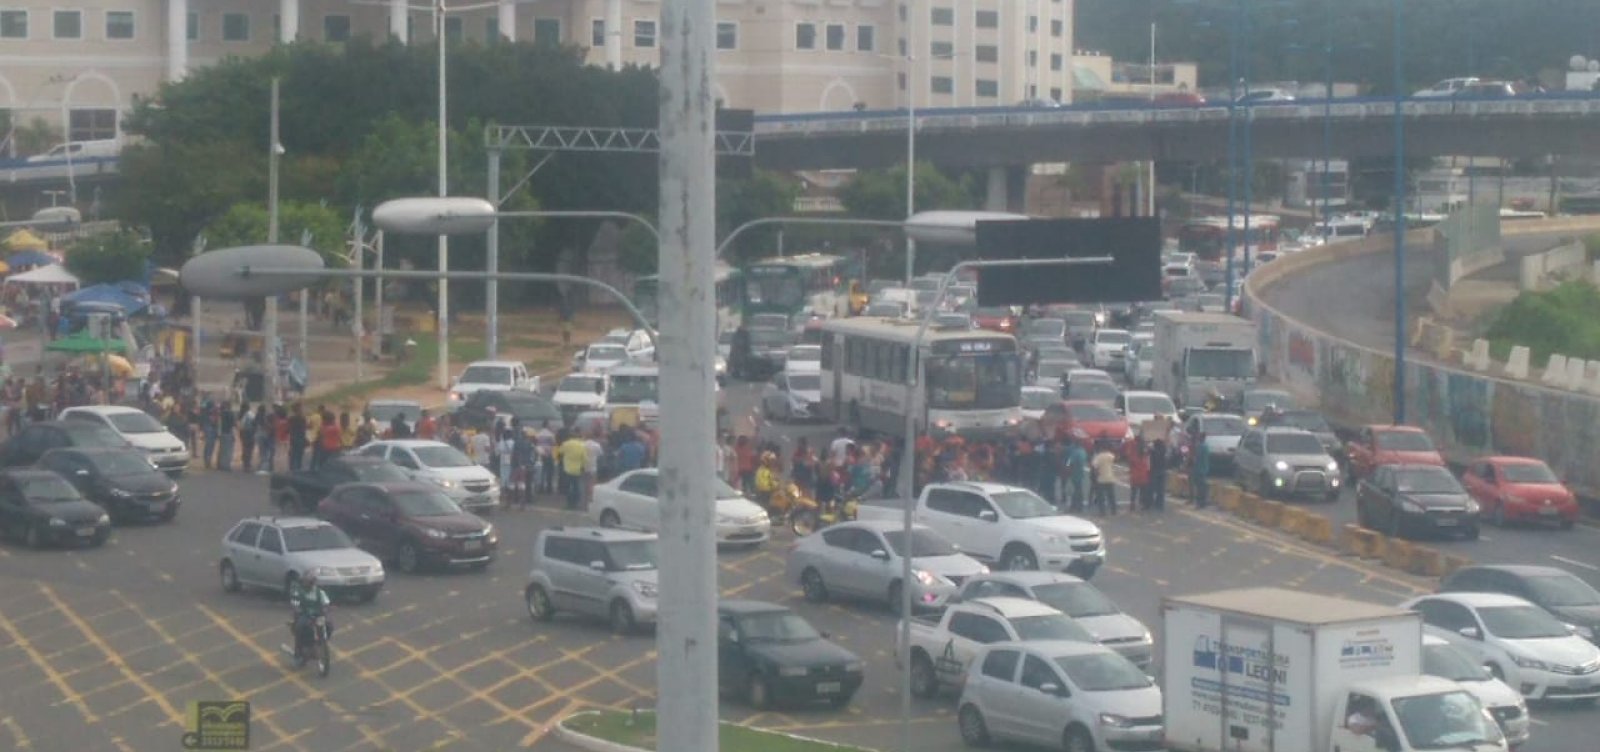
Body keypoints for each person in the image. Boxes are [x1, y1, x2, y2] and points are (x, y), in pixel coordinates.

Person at [288, 572, 332, 664]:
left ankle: (322, 643)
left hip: (318, 615)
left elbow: (326, 603)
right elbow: (295, 604)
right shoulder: (298, 592)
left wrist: (325, 609)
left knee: (329, 625)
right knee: (300, 627)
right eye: (308, 582)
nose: (310, 584)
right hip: (305, 615)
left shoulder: (319, 592)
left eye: (311, 582)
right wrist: (297, 609)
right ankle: (298, 652)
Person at [557, 430, 587, 510]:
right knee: (576, 486)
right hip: (577, 469)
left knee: (568, 486)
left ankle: (569, 503)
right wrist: (583, 467)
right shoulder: (582, 445)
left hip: (567, 468)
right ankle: (576, 502)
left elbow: (560, 452)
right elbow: (584, 458)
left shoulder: (566, 444)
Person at [1091, 441, 1118, 516]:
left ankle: (1102, 512)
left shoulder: (1098, 457)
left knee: (1101, 497)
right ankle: (1114, 511)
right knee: (1111, 496)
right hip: (1110, 478)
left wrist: (1096, 475)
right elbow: (1114, 461)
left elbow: (1094, 467)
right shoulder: (1110, 455)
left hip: (1101, 479)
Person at [1064, 439, 1089, 513]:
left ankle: (1075, 506)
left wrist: (1067, 467)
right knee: (1078, 489)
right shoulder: (1083, 452)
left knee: (1076, 490)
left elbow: (1069, 462)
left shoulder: (1075, 452)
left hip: (1075, 473)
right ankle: (1078, 505)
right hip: (1080, 472)